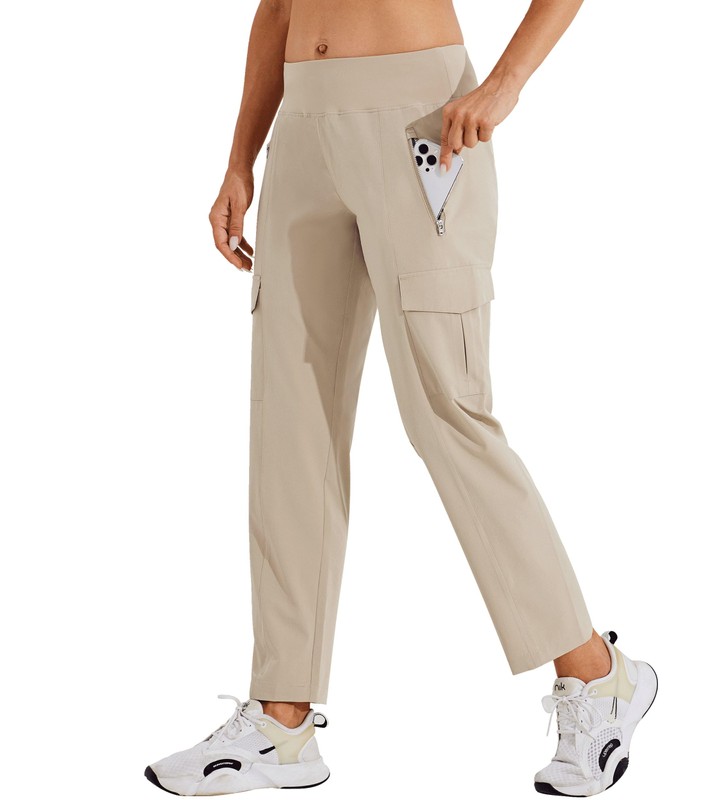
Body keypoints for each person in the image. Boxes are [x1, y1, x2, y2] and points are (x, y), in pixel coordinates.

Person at [145, 1, 658, 796]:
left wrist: (505, 84)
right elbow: (277, 7)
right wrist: (239, 159)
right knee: (291, 427)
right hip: (302, 126)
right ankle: (282, 721)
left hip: (422, 119)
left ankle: (597, 675)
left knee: (446, 413)